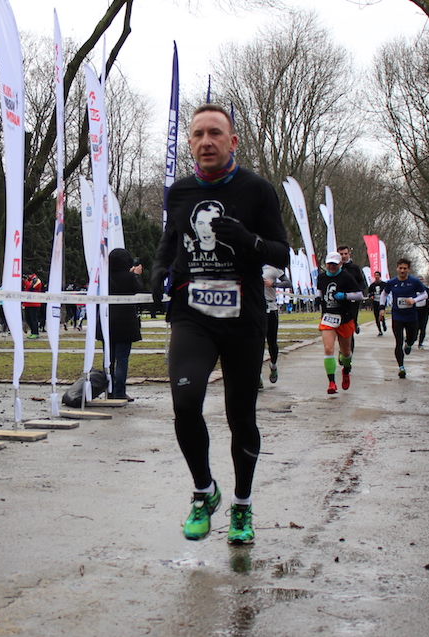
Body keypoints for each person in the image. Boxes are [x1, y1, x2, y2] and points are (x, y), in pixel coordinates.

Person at [151, 104, 289, 545]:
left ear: (232, 141)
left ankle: (242, 505)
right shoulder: (179, 192)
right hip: (192, 315)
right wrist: (158, 269)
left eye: (215, 133)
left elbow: (282, 252)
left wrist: (248, 241)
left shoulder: (257, 190)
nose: (206, 141)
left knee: (240, 417)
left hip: (243, 319)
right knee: (185, 402)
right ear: (190, 142)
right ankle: (203, 491)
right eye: (198, 134)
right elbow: (171, 239)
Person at [315, 252, 364, 395]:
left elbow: (359, 295)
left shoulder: (346, 277)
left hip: (344, 318)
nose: (331, 267)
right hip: (328, 317)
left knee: (346, 352)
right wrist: (318, 298)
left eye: (334, 264)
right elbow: (319, 290)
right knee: (328, 349)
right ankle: (331, 382)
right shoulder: (321, 277)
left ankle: (346, 371)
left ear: (340, 264)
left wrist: (345, 296)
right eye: (329, 264)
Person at [380, 259, 427, 379]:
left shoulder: (414, 282)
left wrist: (414, 300)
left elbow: (424, 294)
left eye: (405, 268)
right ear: (397, 268)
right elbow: (384, 294)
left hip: (411, 316)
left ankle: (409, 344)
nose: (402, 270)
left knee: (413, 337)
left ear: (408, 269)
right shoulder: (392, 282)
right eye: (400, 268)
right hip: (397, 316)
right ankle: (401, 367)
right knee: (398, 341)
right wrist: (382, 308)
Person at [108, 248, 143, 400]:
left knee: (108, 359)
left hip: (107, 321)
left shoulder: (105, 277)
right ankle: (119, 391)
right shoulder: (130, 277)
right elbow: (139, 289)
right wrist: (136, 275)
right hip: (125, 323)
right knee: (122, 359)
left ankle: (109, 390)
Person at [262, 265, 292, 384]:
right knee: (257, 342)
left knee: (272, 341)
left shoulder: (272, 268)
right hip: (256, 308)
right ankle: (257, 375)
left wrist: (273, 284)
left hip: (271, 308)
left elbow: (288, 283)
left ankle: (273, 365)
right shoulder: (251, 267)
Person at [337, 245, 365, 336]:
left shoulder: (354, 268)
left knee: (351, 320)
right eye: (341, 254)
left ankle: (354, 325)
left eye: (345, 254)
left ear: (349, 254)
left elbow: (361, 281)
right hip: (340, 299)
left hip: (353, 298)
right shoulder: (335, 267)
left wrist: (360, 292)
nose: (343, 256)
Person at [415, 275, 429, 349]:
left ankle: (420, 343)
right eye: (418, 279)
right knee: (415, 328)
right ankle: (411, 339)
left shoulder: (427, 290)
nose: (420, 281)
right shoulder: (412, 289)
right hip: (414, 312)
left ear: (423, 281)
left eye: (421, 279)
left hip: (424, 312)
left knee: (423, 328)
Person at [22, 273, 42, 339]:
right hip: (27, 303)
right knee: (28, 318)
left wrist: (26, 281)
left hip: (34, 303)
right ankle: (32, 331)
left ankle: (36, 333)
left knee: (33, 318)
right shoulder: (28, 281)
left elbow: (30, 288)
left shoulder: (36, 280)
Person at [367, 271, 387, 336]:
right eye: (375, 275)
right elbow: (369, 293)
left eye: (377, 275)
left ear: (380, 276)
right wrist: (371, 296)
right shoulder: (372, 285)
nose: (376, 277)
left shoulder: (384, 284)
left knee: (381, 314)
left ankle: (383, 323)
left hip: (382, 302)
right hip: (375, 301)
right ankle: (380, 330)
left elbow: (387, 292)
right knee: (376, 315)